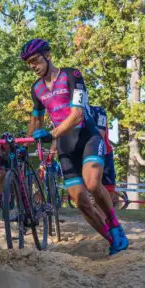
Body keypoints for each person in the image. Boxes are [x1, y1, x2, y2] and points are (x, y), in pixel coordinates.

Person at [22, 38, 128, 255]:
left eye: (35, 60)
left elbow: (77, 114)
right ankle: (112, 240)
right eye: (29, 63)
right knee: (80, 201)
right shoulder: (36, 89)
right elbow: (36, 121)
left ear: (47, 55)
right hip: (65, 146)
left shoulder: (72, 75)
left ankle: (116, 226)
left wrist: (51, 134)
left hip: (87, 137)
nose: (33, 66)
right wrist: (24, 142)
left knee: (91, 183)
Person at [89, 106, 119, 207]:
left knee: (109, 189)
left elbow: (100, 134)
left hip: (104, 152)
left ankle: (109, 216)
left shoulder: (99, 111)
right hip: (87, 154)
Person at [0, 133, 15, 208]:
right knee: (1, 177)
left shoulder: (14, 146)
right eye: (4, 144)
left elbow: (16, 161)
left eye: (8, 144)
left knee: (12, 179)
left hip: (11, 162)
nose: (6, 145)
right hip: (1, 162)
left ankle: (12, 197)